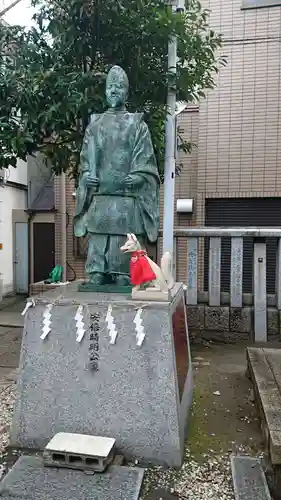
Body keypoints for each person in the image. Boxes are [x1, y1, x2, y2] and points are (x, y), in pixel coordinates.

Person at [74, 65, 160, 286]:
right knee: (98, 240)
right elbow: (85, 161)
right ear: (105, 91)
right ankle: (97, 270)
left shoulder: (137, 125)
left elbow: (146, 161)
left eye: (119, 86)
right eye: (110, 86)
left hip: (126, 200)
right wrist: (86, 176)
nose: (114, 90)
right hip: (100, 197)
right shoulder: (94, 126)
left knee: (125, 242)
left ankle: (123, 272)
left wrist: (140, 176)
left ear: (127, 92)